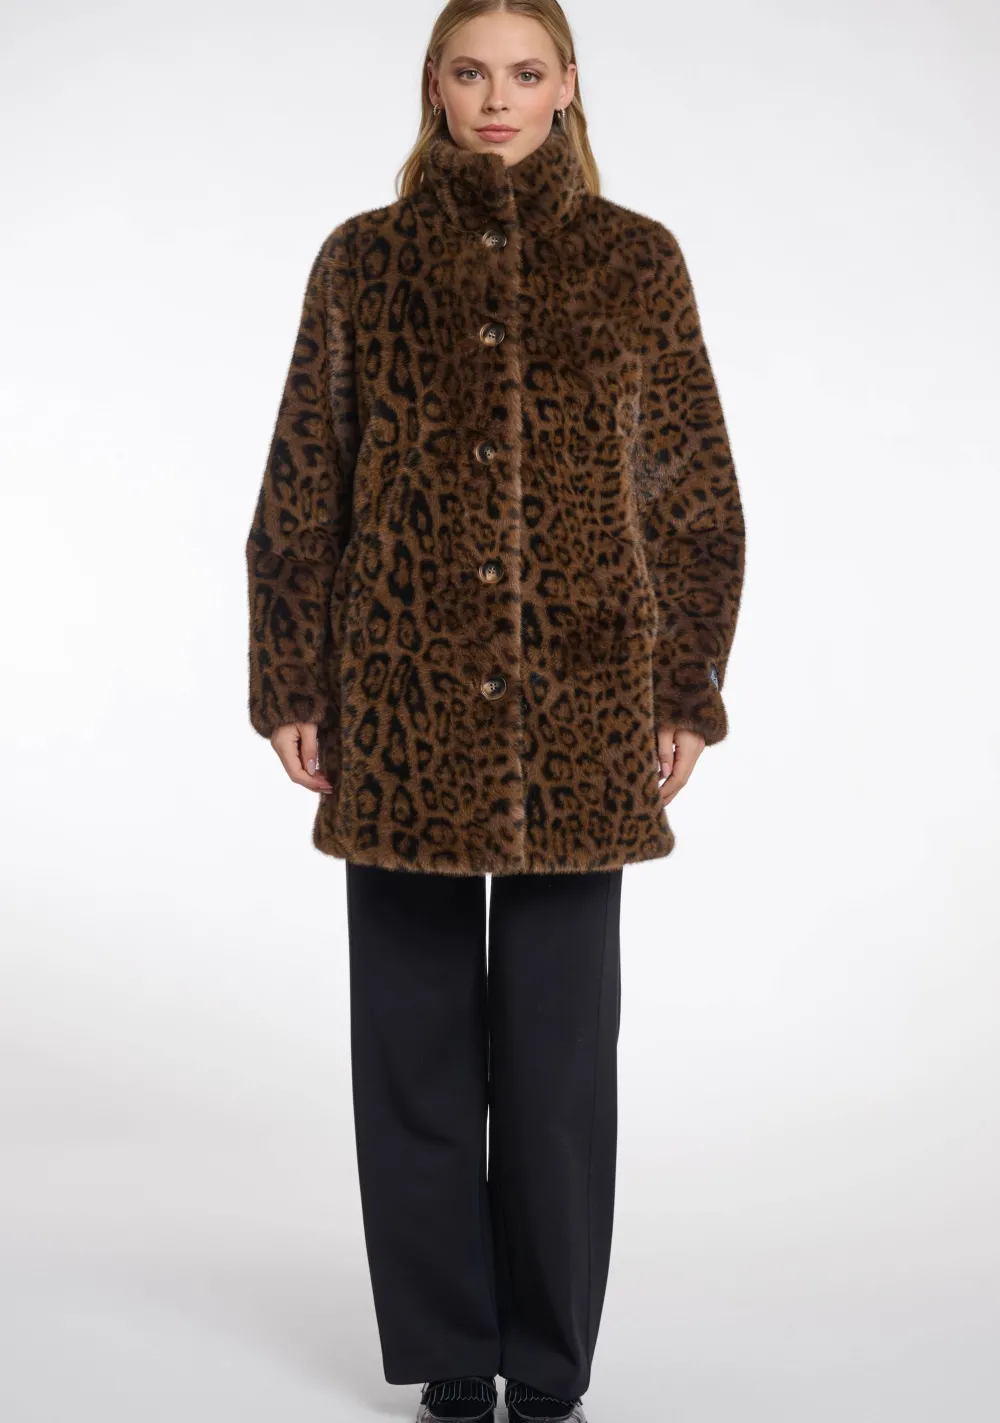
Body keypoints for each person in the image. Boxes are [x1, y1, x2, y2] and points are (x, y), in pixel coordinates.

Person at [244, 2, 746, 1419]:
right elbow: (304, 479)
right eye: (471, 72)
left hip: (585, 704)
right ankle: (451, 1350)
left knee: (558, 1062)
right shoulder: (364, 261)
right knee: (410, 1051)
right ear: (435, 84)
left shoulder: (637, 261)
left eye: (526, 72)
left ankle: (549, 1359)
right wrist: (291, 678)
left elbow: (695, 495)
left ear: (568, 84)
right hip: (398, 694)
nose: (498, 98)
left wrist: (686, 689)